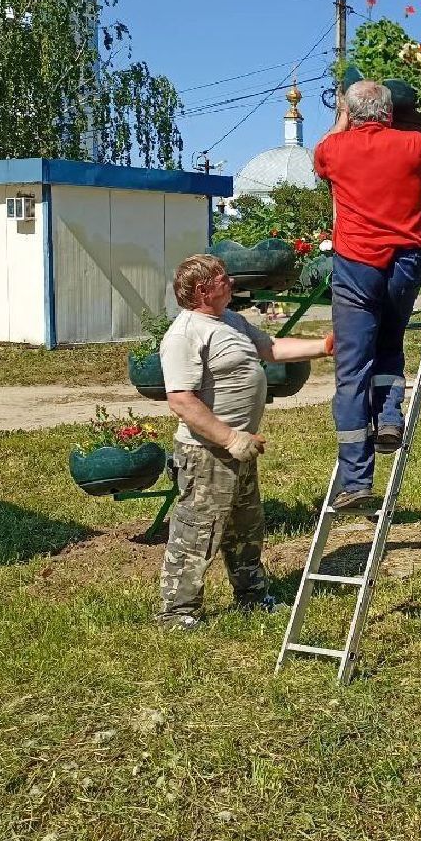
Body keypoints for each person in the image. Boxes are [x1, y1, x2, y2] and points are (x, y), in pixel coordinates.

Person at [155, 253, 334, 629]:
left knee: (246, 528)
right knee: (197, 532)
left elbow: (271, 349)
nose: (230, 282)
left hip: (240, 448)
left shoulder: (230, 320)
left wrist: (324, 345)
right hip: (207, 453)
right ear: (202, 290)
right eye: (222, 278)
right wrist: (230, 438)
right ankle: (177, 612)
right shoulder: (186, 334)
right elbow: (181, 400)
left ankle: (252, 596)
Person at [314, 80, 421, 511]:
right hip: (405, 264)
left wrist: (342, 115)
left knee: (352, 369)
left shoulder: (333, 151)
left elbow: (327, 147)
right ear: (390, 113)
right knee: (391, 344)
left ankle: (356, 479)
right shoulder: (414, 145)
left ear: (352, 113)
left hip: (357, 266)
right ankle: (390, 417)